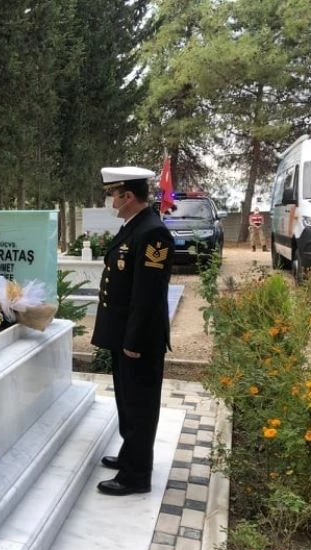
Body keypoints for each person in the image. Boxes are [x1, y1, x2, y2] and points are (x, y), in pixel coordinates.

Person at [91, 166, 173, 496]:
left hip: (138, 339)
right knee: (127, 401)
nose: (111, 200)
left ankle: (136, 475)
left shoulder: (153, 233)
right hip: (123, 334)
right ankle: (130, 456)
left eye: (113, 194)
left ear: (127, 196)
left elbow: (149, 295)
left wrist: (135, 341)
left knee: (140, 406)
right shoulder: (134, 226)